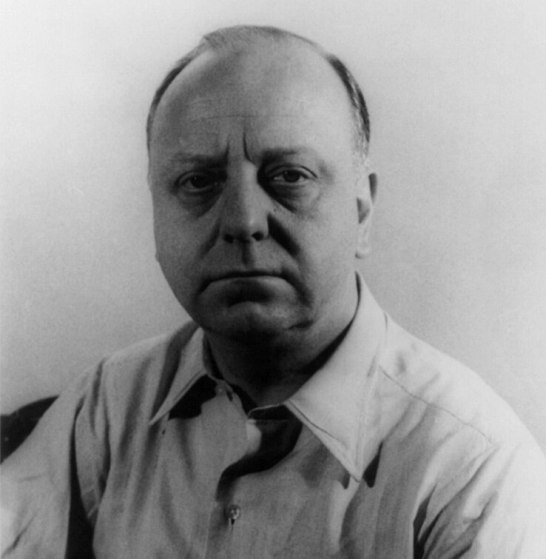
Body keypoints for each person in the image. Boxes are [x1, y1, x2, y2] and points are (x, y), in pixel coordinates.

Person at [2, 25, 546, 559]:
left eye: (290, 176)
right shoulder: (109, 406)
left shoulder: (472, 471)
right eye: (198, 182)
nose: (242, 221)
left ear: (362, 212)